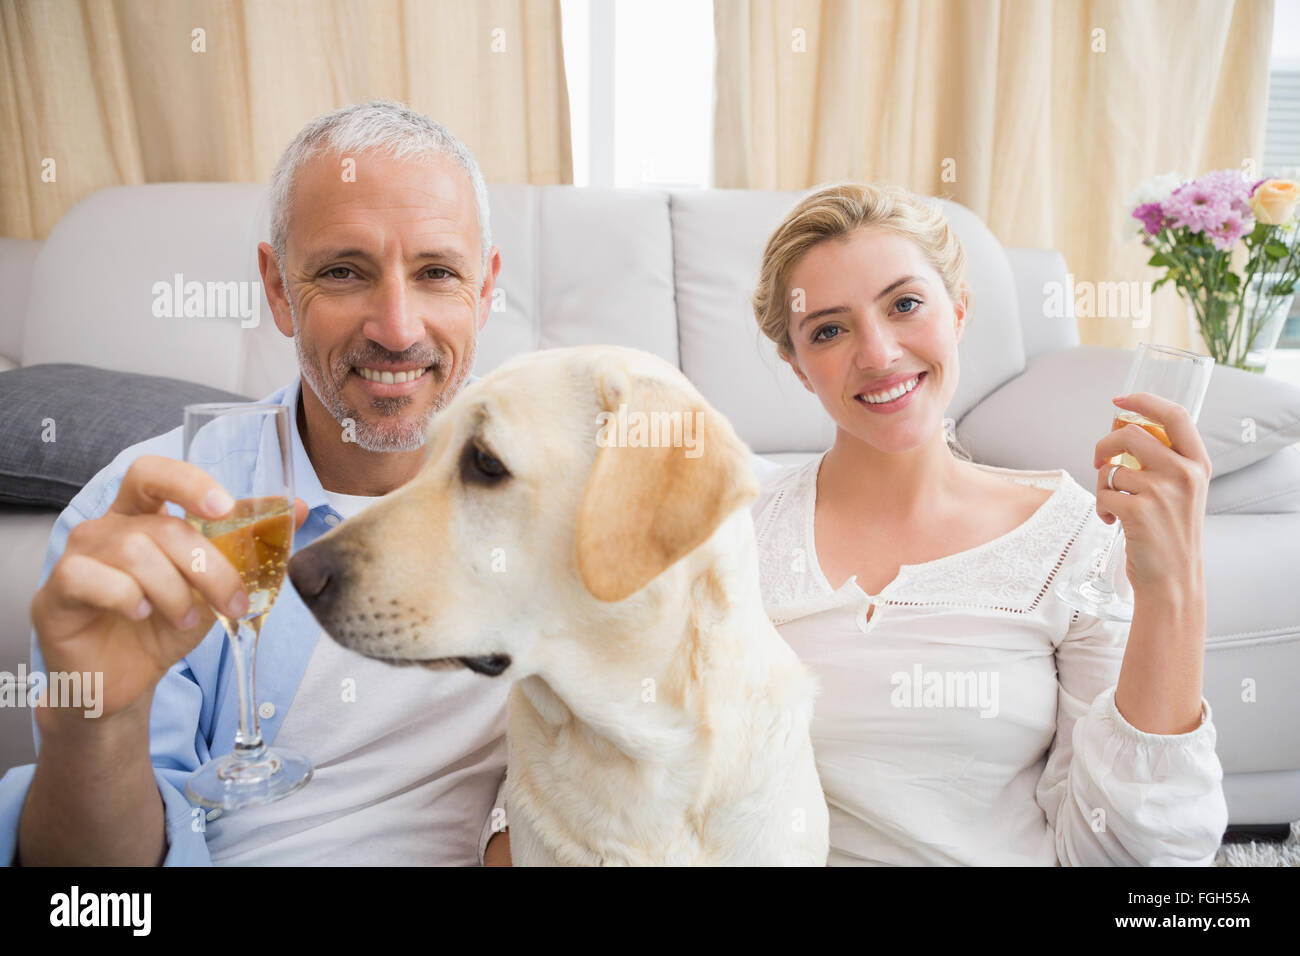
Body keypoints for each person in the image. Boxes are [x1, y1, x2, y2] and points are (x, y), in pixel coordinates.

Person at [0, 100, 514, 866]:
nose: (398, 328)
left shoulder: (559, 492)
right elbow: (93, 899)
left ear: (482, 290)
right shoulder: (145, 522)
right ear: (277, 289)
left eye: (437, 272)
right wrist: (97, 727)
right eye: (345, 271)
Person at [748, 182, 1229, 865]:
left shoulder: (1070, 538)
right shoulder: (737, 536)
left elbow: (1140, 857)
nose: (879, 353)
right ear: (798, 367)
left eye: (905, 305)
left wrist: (1173, 585)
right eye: (829, 329)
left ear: (960, 310)